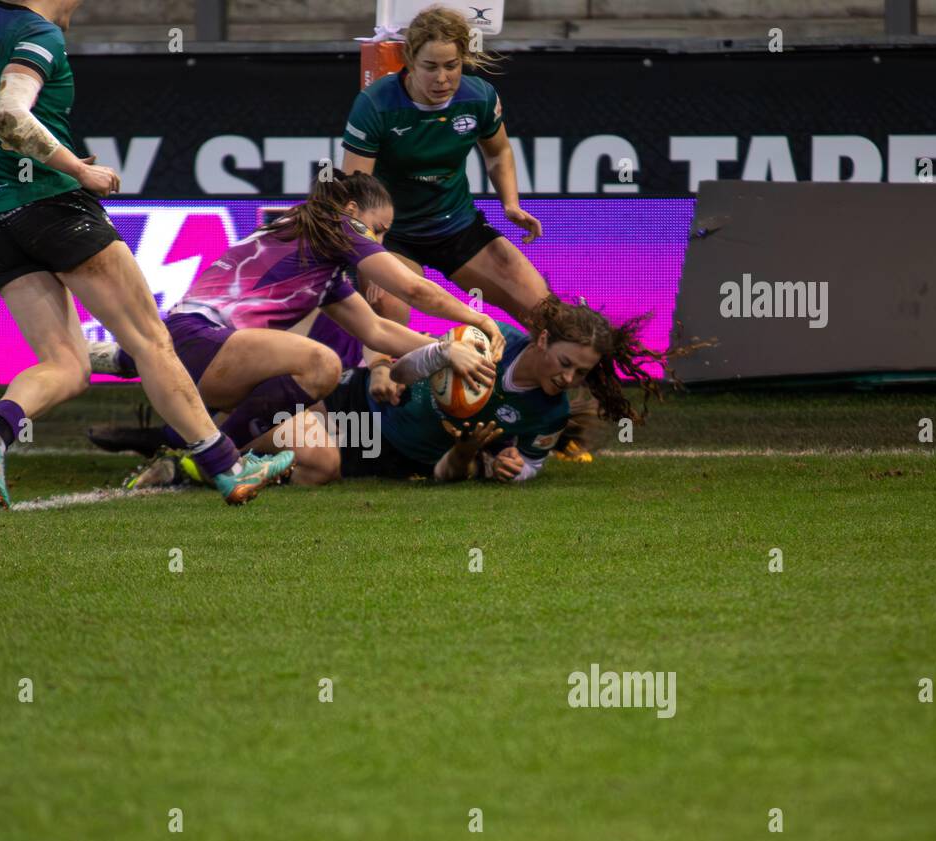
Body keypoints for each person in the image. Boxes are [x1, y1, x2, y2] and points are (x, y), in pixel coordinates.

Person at [0, 0, 292, 509]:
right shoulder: (38, 33)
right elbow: (8, 115)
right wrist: (76, 170)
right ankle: (229, 467)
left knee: (67, 366)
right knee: (152, 341)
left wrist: (48, 156)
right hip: (55, 210)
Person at [83, 170, 498, 485]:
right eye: (380, 229)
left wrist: (444, 348)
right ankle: (213, 459)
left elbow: (377, 332)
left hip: (187, 346)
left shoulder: (314, 252)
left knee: (303, 389)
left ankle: (138, 375)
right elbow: (412, 288)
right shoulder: (341, 227)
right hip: (202, 341)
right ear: (353, 213)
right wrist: (476, 318)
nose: (380, 242)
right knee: (322, 365)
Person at [340, 5, 600, 462]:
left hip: (456, 225)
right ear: (408, 59)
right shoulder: (376, 103)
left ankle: (558, 429)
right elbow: (354, 193)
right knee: (386, 304)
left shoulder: (479, 97)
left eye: (452, 66)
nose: (443, 78)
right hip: (394, 234)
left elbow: (497, 153)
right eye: (431, 67)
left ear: (465, 61)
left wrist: (511, 204)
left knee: (548, 312)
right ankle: (385, 407)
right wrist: (371, 251)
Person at [248, 295, 671, 486]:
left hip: (394, 454)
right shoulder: (492, 339)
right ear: (542, 342)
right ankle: (221, 445)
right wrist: (443, 353)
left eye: (581, 373)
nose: (568, 379)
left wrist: (509, 467)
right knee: (280, 414)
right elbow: (403, 373)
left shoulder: (550, 415)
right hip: (360, 399)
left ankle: (223, 465)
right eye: (565, 364)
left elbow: (528, 467)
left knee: (320, 466)